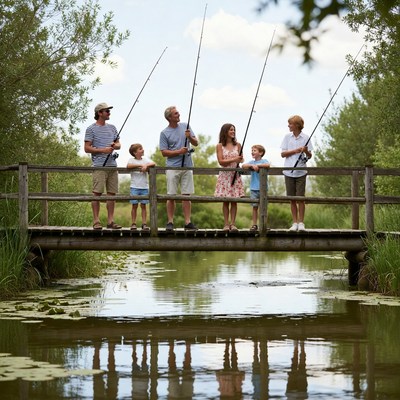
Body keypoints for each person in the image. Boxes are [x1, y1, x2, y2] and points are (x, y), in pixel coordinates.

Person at [159, 106, 199, 231]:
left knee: (186, 195)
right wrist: (179, 152)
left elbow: (196, 143)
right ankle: (170, 222)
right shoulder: (164, 133)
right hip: (172, 167)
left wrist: (190, 137)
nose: (178, 114)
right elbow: (164, 152)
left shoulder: (185, 126)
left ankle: (188, 222)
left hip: (187, 166)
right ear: (169, 117)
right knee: (171, 195)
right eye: (176, 113)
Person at [84, 102, 122, 230]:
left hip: (112, 165)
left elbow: (119, 144)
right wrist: (102, 150)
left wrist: (114, 146)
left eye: (109, 111)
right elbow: (87, 148)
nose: (109, 113)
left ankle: (111, 221)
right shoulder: (91, 129)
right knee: (97, 194)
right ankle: (96, 221)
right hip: (99, 166)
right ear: (99, 113)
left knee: (112, 194)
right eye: (107, 111)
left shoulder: (112, 128)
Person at [280, 115, 313, 231]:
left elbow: (309, 156)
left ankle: (301, 223)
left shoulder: (306, 138)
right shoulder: (287, 137)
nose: (288, 126)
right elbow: (283, 154)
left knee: (301, 198)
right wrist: (295, 150)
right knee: (292, 198)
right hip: (288, 171)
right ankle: (294, 223)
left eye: (290, 124)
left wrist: (306, 151)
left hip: (301, 171)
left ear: (297, 125)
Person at [214, 123, 244, 231]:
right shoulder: (219, 146)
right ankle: (226, 224)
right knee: (225, 200)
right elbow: (221, 161)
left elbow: (241, 159)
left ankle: (233, 224)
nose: (233, 132)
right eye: (231, 130)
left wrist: (239, 159)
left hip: (235, 175)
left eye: (234, 130)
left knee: (234, 200)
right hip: (225, 176)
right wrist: (234, 159)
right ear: (225, 131)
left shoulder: (238, 145)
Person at [127, 143, 156, 231]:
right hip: (134, 187)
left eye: (142, 148)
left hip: (144, 187)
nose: (142, 150)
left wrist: (146, 165)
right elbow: (128, 166)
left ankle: (144, 223)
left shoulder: (145, 159)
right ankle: (133, 223)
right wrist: (140, 166)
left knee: (143, 206)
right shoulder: (131, 160)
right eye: (140, 149)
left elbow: (154, 163)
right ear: (135, 153)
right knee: (134, 205)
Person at [242, 144, 270, 231]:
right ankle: (254, 224)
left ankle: (264, 224)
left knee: (263, 207)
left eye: (254, 150)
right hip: (254, 188)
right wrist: (251, 166)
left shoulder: (264, 161)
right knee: (254, 207)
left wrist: (258, 166)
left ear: (261, 153)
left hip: (263, 188)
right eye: (252, 150)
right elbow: (243, 165)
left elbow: (268, 165)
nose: (252, 152)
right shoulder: (252, 162)